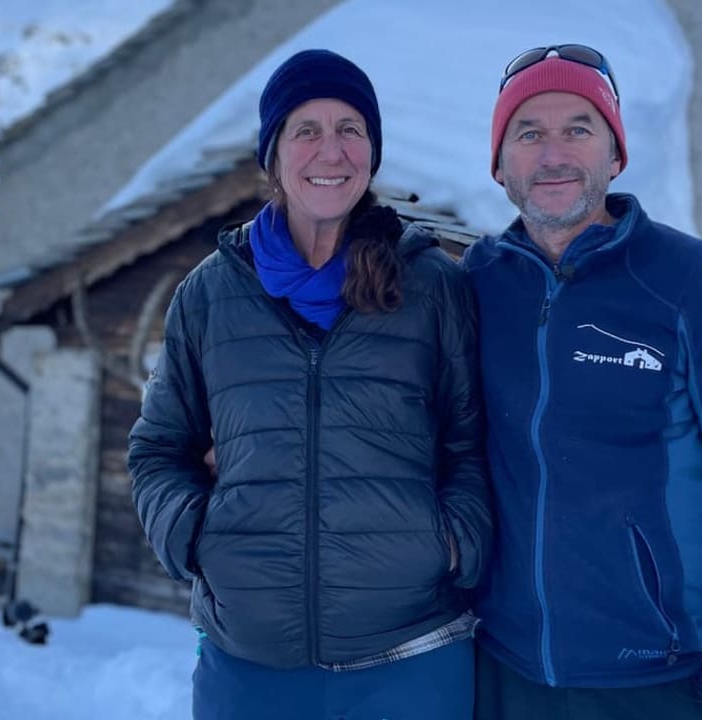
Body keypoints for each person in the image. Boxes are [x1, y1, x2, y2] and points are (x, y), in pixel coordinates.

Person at [129, 49, 491, 720]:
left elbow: (472, 445)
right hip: (249, 668)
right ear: (273, 156)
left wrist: (447, 545)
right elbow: (157, 450)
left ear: (372, 152)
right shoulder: (209, 296)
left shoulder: (432, 286)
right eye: (307, 130)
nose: (333, 150)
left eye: (351, 128)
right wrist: (196, 538)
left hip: (413, 658)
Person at [463, 45, 702, 720]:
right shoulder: (476, 284)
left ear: (615, 156)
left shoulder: (694, 282)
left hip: (659, 683)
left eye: (578, 130)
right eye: (528, 133)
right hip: (505, 675)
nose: (553, 154)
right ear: (500, 166)